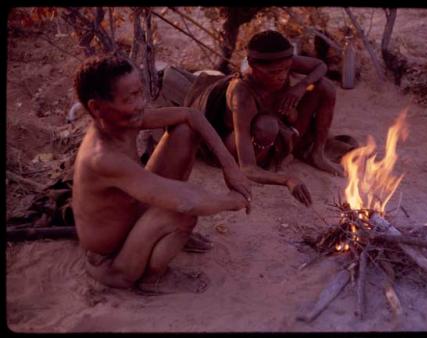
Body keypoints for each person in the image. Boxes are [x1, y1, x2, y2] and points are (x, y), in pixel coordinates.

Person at [72, 55, 252, 294]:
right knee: (181, 213)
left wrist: (229, 164)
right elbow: (185, 201)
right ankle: (153, 278)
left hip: (132, 218)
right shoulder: (102, 157)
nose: (140, 104)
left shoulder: (120, 120)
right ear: (97, 107)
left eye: (139, 94)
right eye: (129, 98)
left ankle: (162, 236)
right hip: (114, 264)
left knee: (185, 131)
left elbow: (191, 115)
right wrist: (233, 201)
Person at [186, 30, 355, 207]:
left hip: (281, 126)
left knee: (325, 87)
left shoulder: (280, 62)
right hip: (248, 143)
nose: (282, 76)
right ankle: (273, 160)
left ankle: (317, 153)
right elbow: (247, 168)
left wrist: (301, 86)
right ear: (252, 65)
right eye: (273, 72)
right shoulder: (242, 96)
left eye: (286, 69)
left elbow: (320, 66)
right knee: (267, 126)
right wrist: (287, 180)